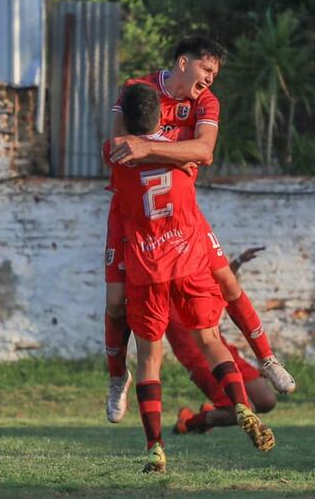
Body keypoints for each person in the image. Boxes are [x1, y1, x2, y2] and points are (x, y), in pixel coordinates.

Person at [104, 36, 295, 426]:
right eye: (206, 69)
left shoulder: (206, 102)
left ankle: (266, 358)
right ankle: (116, 378)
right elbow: (116, 147)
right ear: (183, 62)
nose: (210, 79)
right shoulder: (136, 90)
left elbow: (204, 151)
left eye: (215, 73)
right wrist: (176, 153)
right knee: (115, 303)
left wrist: (149, 149)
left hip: (183, 215)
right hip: (131, 215)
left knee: (226, 281)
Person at [108, 83, 275, 473]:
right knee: (214, 342)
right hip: (185, 263)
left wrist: (125, 105)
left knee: (148, 358)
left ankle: (153, 443)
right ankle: (237, 394)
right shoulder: (181, 153)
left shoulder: (117, 155)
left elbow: (118, 137)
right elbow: (201, 149)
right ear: (163, 118)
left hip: (148, 269)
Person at [169, 247, 277, 435]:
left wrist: (237, 262)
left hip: (222, 350)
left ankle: (210, 414)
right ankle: (190, 422)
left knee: (266, 401)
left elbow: (222, 282)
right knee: (245, 409)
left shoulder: (196, 281)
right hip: (199, 360)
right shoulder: (160, 289)